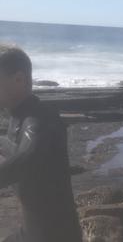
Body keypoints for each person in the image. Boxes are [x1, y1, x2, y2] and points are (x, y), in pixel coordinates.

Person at [0, 44, 82, 242]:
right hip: (30, 234)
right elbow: (9, 145)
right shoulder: (16, 117)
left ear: (18, 79)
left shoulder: (42, 119)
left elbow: (28, 159)